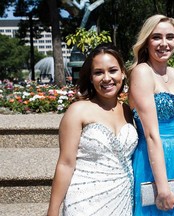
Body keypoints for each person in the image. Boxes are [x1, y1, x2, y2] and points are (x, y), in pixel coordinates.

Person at [47, 43, 138, 216]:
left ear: (123, 73)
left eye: (112, 70)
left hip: (123, 199)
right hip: (84, 202)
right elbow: (66, 164)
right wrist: (53, 210)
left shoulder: (129, 111)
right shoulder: (78, 110)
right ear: (90, 77)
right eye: (98, 72)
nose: (106, 78)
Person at [128, 14, 174, 215]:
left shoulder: (173, 73)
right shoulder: (142, 72)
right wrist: (162, 187)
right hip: (155, 159)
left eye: (170, 37)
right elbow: (150, 134)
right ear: (146, 41)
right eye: (157, 37)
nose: (164, 43)